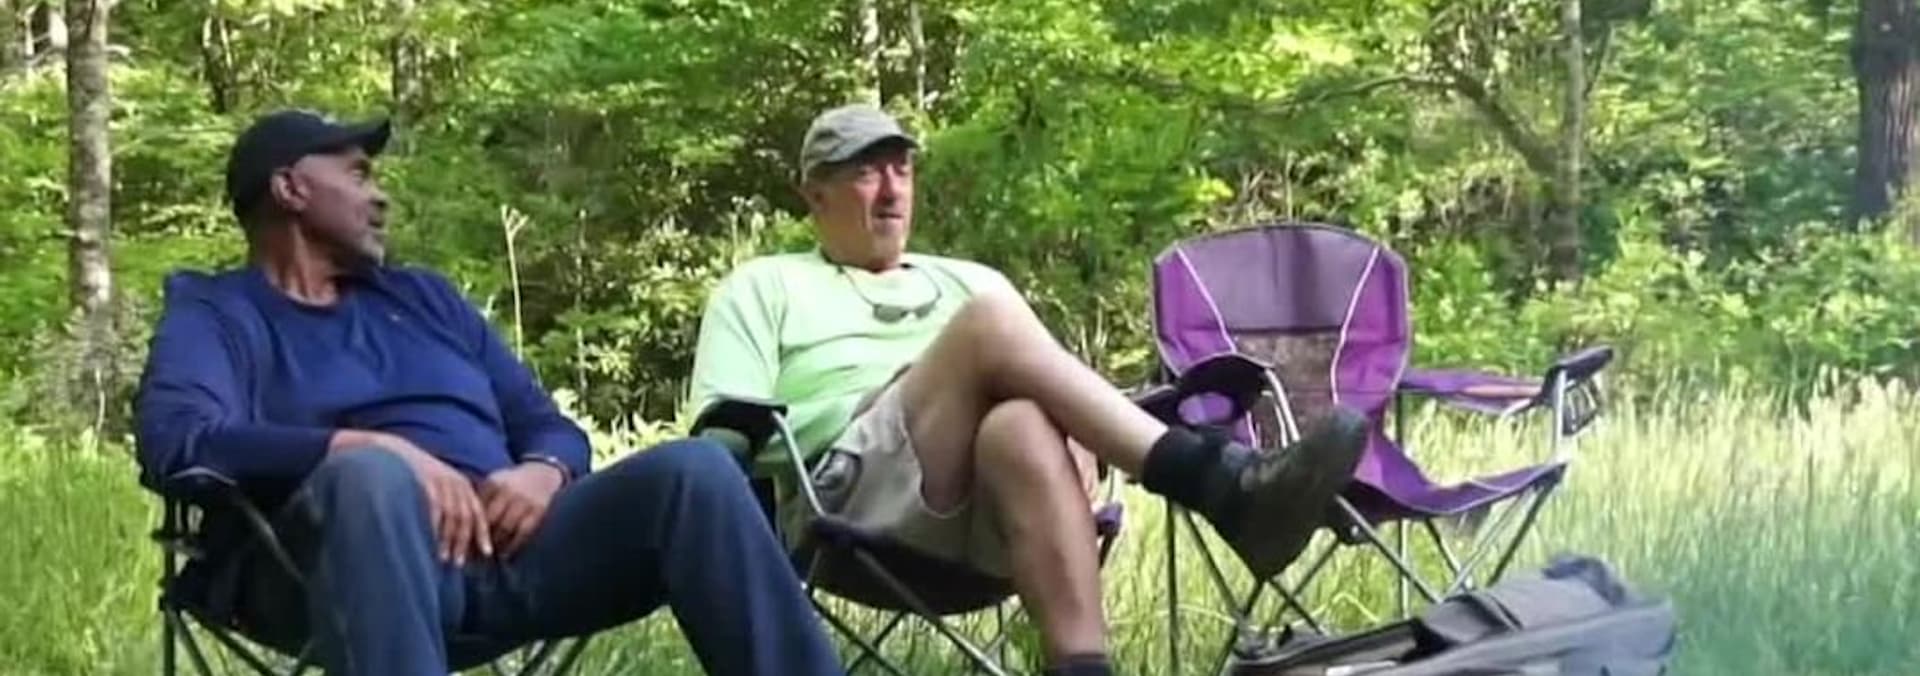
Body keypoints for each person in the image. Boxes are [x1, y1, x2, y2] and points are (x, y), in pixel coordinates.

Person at [133, 109, 845, 676]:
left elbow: (546, 425)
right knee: (370, 477)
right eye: (358, 174)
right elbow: (178, 441)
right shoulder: (219, 312)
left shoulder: (425, 299)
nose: (380, 196)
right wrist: (367, 448)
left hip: (510, 556)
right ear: (290, 189)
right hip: (320, 573)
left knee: (697, 470)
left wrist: (544, 471)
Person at [685, 103, 1369, 676]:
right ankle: (1216, 483)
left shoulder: (968, 278)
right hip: (848, 498)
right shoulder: (763, 286)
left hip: (1002, 506)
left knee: (1018, 421)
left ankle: (1084, 668)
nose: (892, 191)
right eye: (866, 173)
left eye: (902, 169)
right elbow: (719, 442)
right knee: (987, 326)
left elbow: (1050, 389)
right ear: (814, 194)